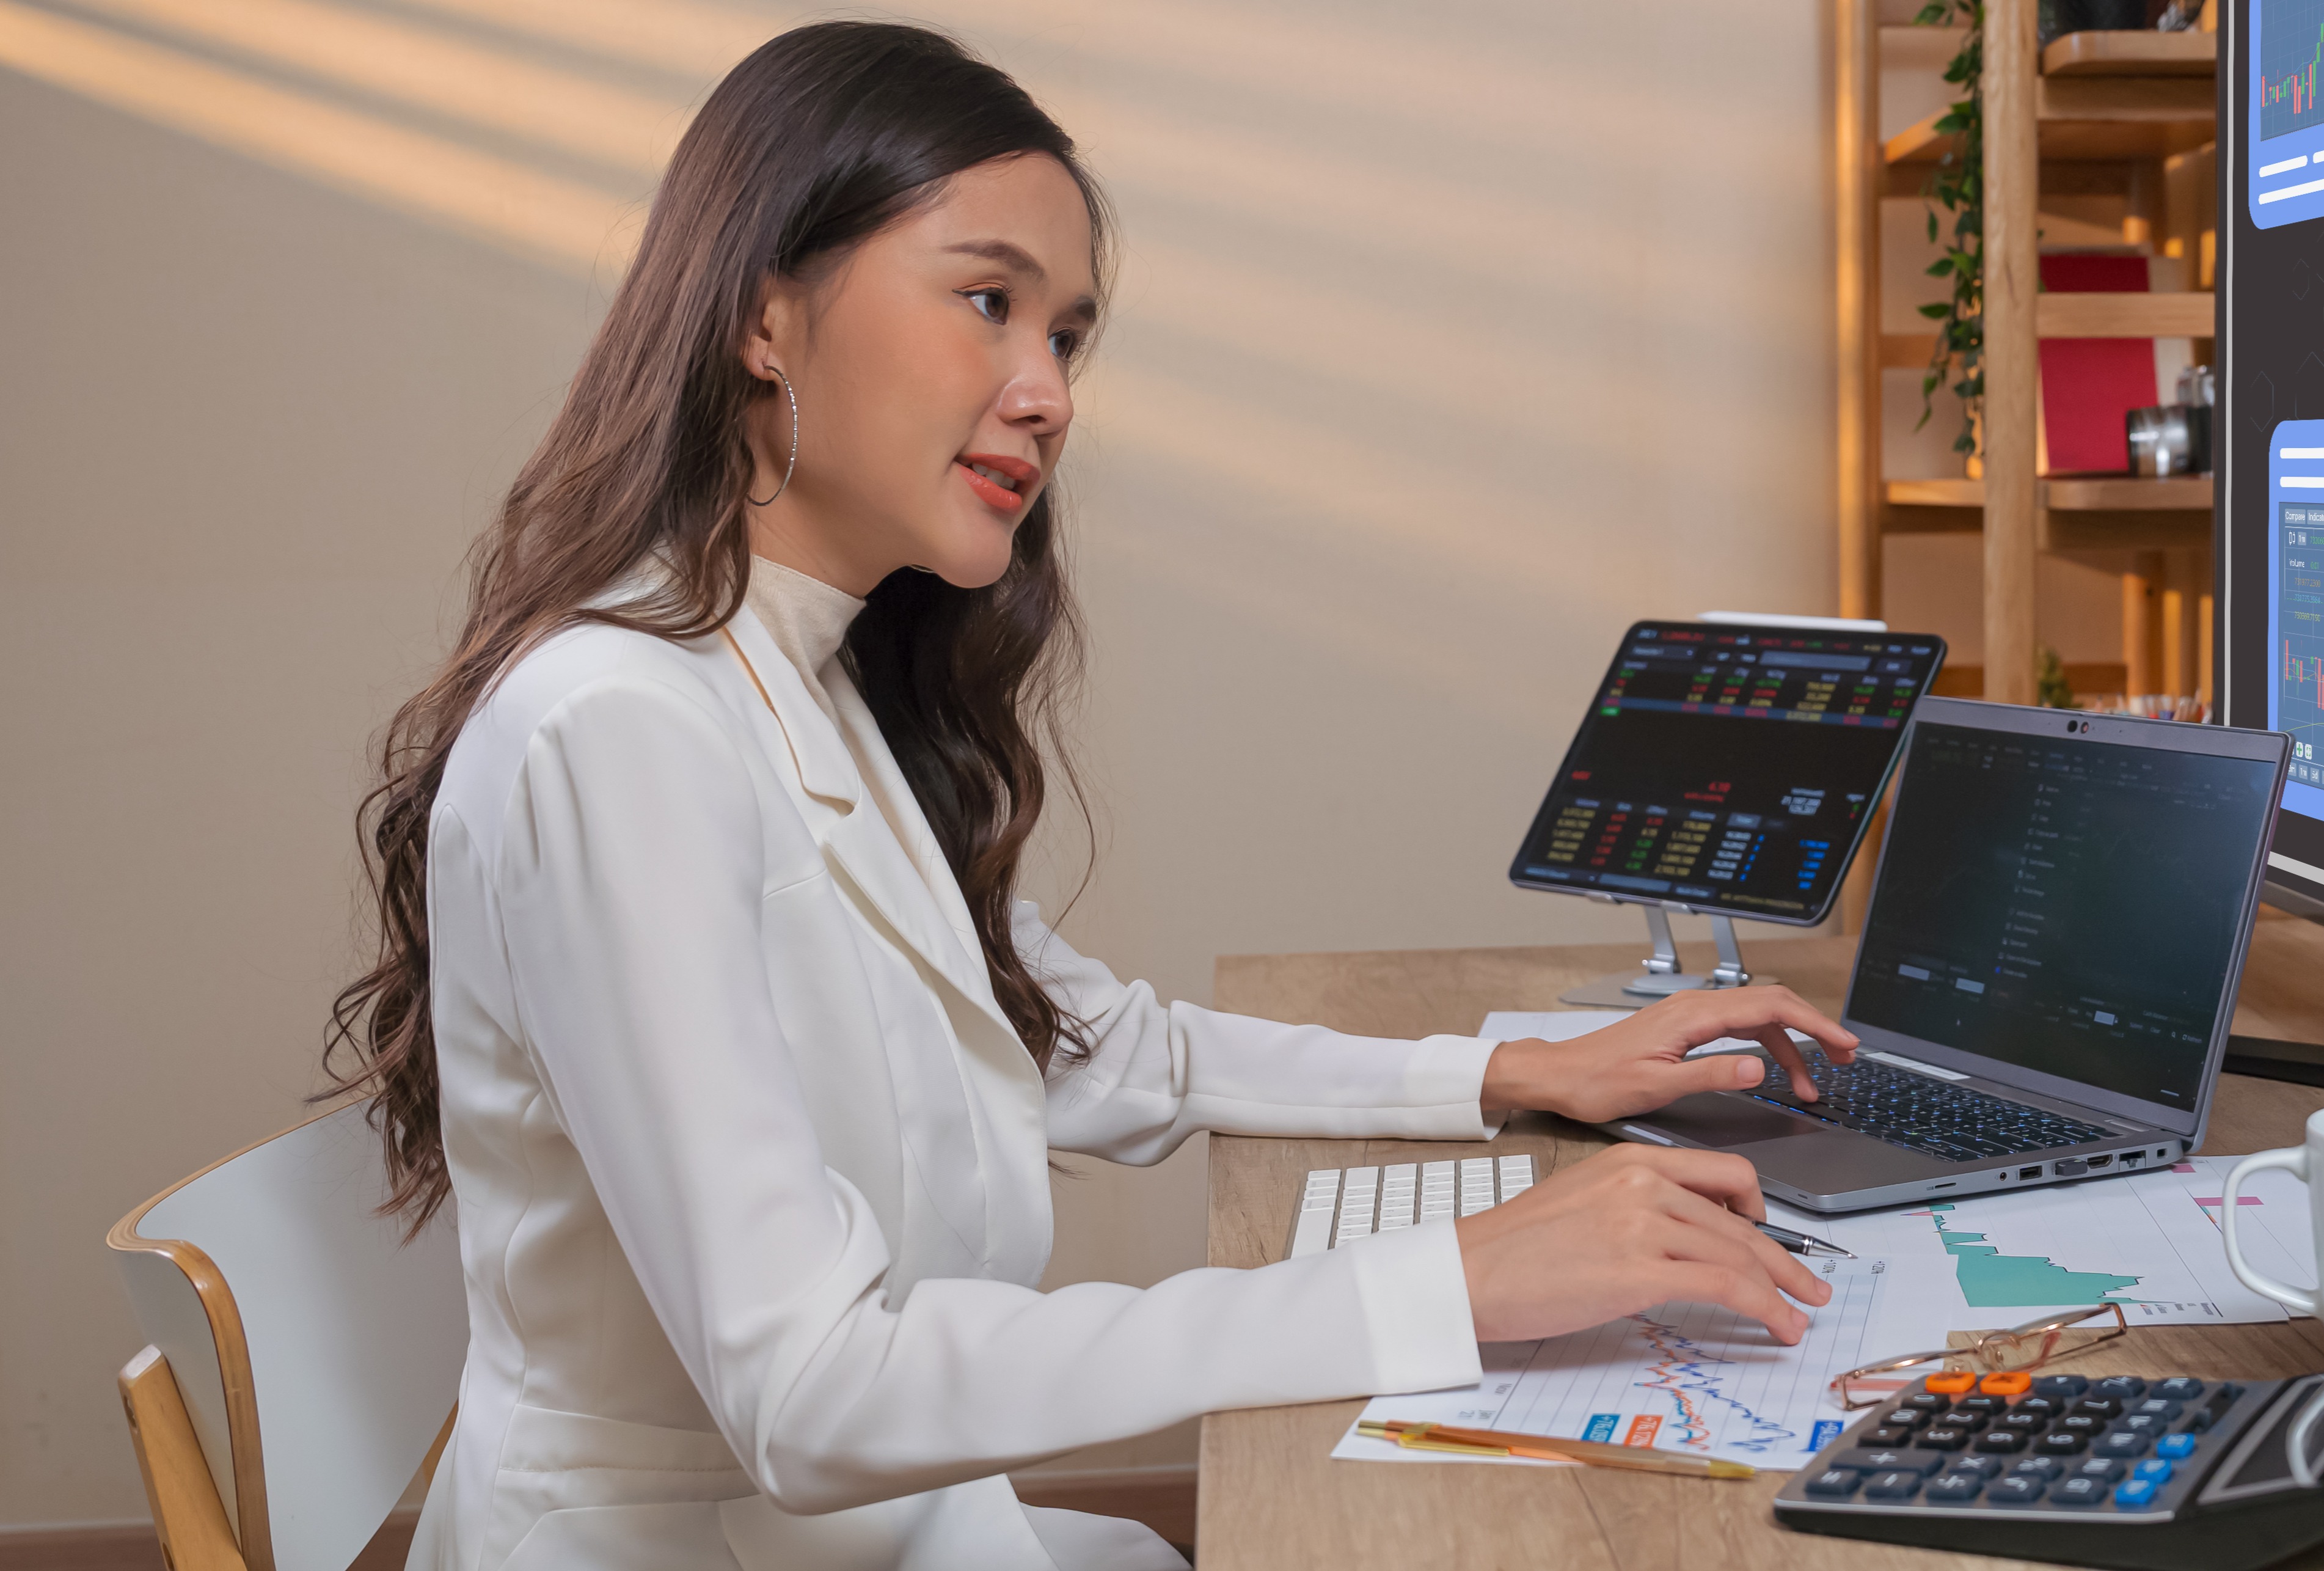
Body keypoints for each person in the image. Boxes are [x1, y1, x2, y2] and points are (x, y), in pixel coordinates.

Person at [321, 23, 1858, 1570]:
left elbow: (1097, 1043)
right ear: (764, 315)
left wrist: (1516, 1068)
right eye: (988, 302)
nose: (1046, 392)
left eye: (1065, 335)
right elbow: (811, 1388)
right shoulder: (619, 729)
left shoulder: (809, 682)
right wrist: (1444, 1281)